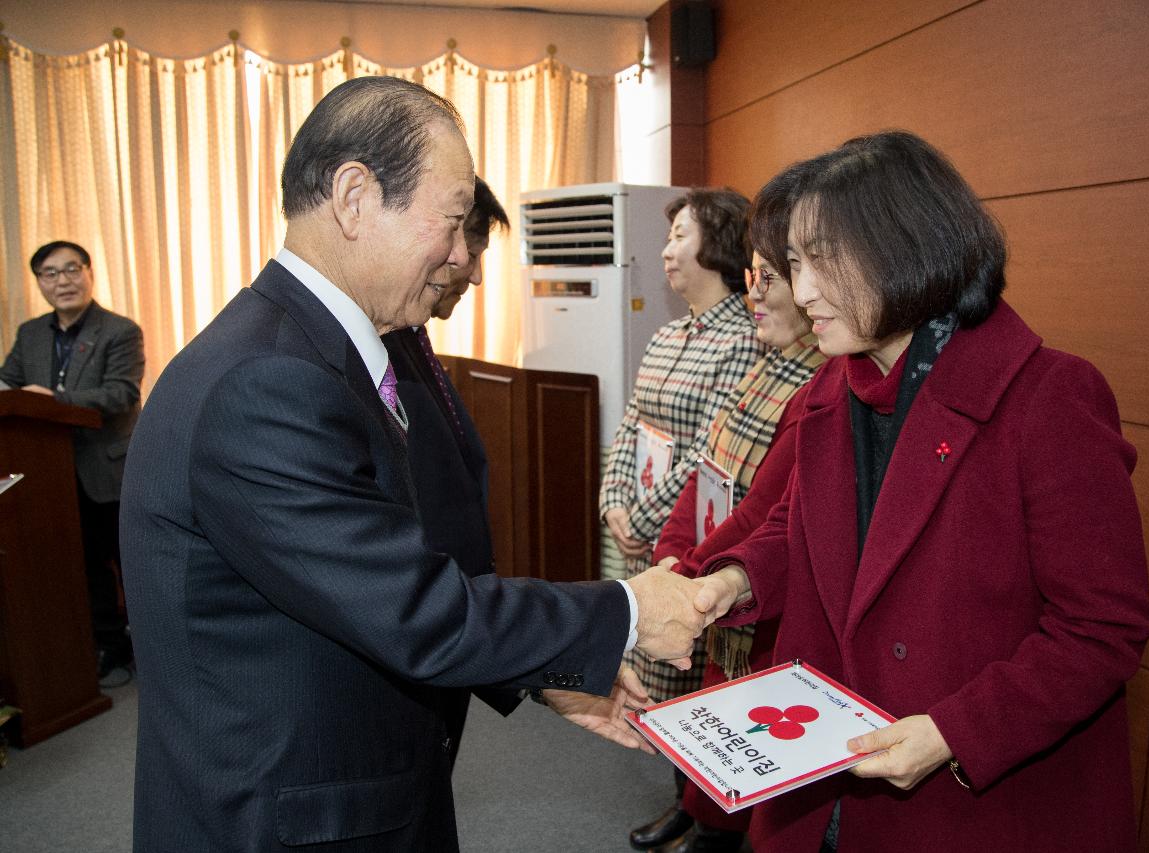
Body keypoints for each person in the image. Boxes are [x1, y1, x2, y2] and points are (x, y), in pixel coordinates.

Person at [120, 76, 709, 853]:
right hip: (289, 817)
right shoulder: (268, 382)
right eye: (455, 221)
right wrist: (627, 609)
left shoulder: (307, 348)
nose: (463, 256)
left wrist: (537, 672)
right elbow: (412, 608)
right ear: (356, 196)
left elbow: (361, 582)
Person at [692, 131, 1149, 852]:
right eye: (795, 263)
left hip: (976, 804)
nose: (802, 290)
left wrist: (952, 732)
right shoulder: (826, 393)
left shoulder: (1048, 396)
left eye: (821, 261)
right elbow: (799, 529)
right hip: (824, 784)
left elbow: (1101, 628)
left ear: (904, 245)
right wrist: (733, 578)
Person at [630, 183, 825, 853]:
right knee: (704, 704)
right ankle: (692, 808)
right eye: (755, 277)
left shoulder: (817, 385)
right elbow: (705, 472)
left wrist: (686, 568)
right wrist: (674, 550)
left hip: (744, 585)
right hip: (708, 568)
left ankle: (711, 825)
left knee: (735, 720)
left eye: (770, 278)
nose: (757, 294)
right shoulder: (766, 365)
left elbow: (760, 513)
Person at [381, 177, 514, 770]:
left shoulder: (408, 338)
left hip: (451, 629)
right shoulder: (373, 348)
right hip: (419, 636)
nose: (475, 274)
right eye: (475, 251)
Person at [0, 240, 144, 684]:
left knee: (132, 566)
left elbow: (122, 395)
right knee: (83, 569)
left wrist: (55, 400)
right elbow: (9, 384)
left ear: (88, 272)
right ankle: (109, 648)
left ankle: (152, 650)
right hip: (50, 477)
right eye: (50, 273)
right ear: (40, 283)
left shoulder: (119, 330)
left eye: (70, 270)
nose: (62, 281)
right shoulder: (30, 334)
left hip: (108, 472)